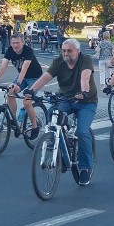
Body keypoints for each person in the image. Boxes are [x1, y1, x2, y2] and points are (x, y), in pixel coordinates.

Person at [24, 38, 98, 185]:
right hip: (66, 99)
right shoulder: (59, 61)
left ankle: (85, 167)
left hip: (86, 101)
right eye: (64, 50)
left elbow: (85, 77)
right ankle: (63, 143)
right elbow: (46, 77)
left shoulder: (85, 59)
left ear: (77, 51)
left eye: (69, 50)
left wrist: (84, 92)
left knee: (82, 132)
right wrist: (32, 90)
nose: (66, 53)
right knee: (53, 114)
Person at [0, 32, 43, 138]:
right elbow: (3, 67)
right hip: (23, 77)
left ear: (22, 42)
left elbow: (24, 69)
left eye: (17, 43)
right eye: (13, 43)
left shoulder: (28, 51)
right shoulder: (9, 50)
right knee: (10, 92)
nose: (15, 45)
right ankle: (14, 119)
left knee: (27, 102)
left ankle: (35, 127)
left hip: (35, 78)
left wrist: (17, 84)